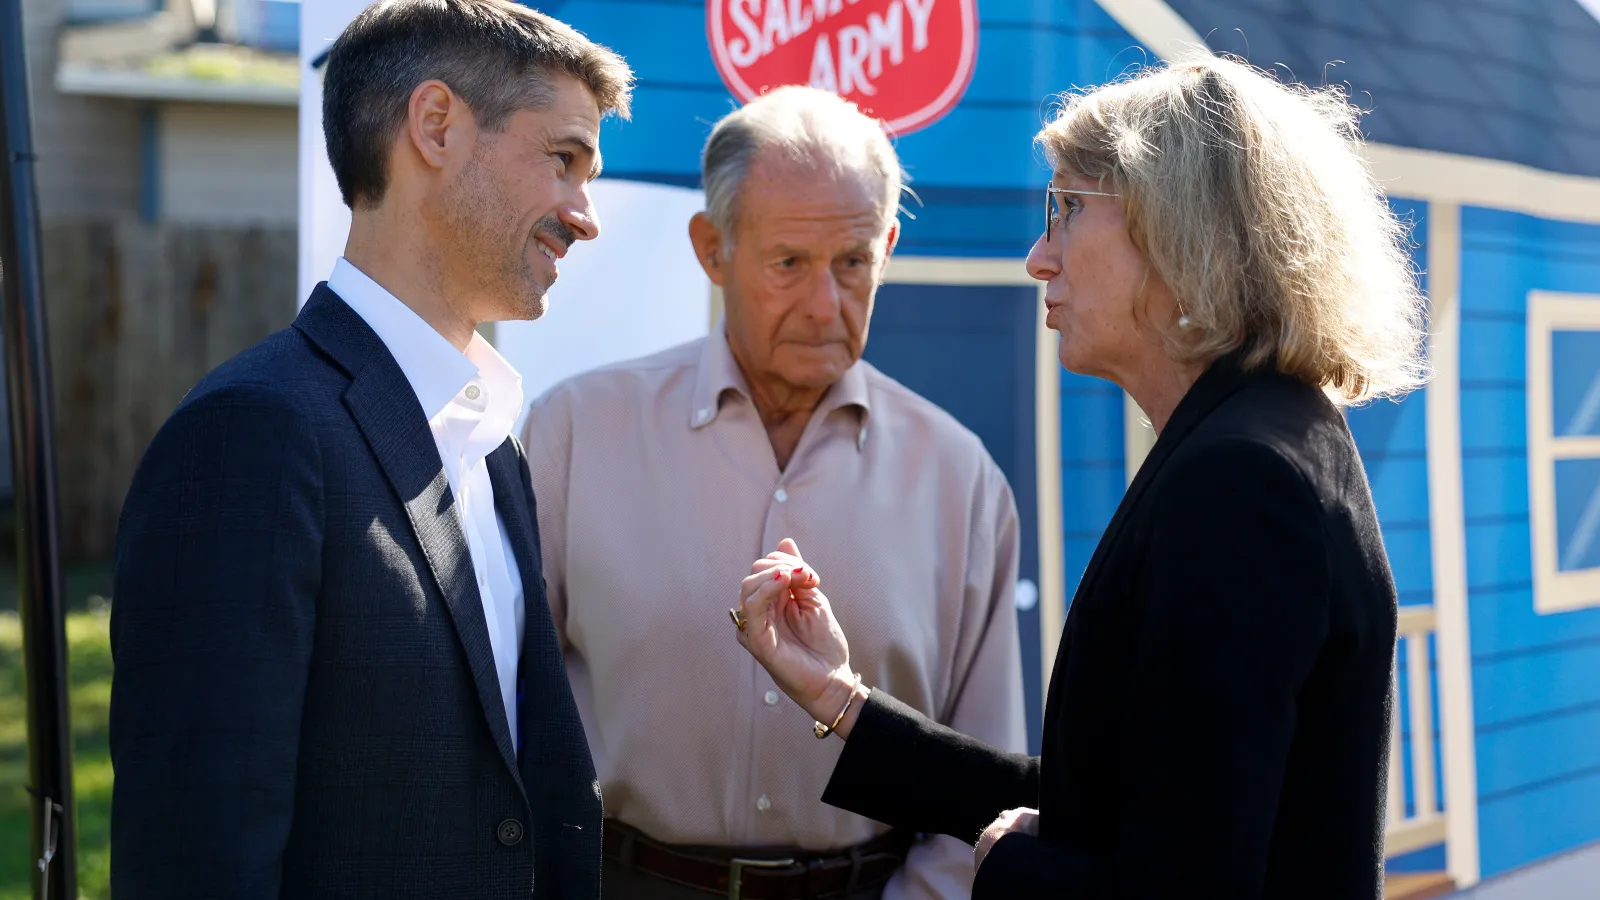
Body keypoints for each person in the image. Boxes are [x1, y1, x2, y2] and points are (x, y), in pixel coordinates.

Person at [732, 54, 1428, 899]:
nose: (1039, 257)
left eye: (1066, 210)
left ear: (1179, 232)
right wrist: (840, 699)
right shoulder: (1265, 436)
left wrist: (1008, 867)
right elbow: (1123, 798)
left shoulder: (1240, 480)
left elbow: (1181, 884)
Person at [108, 2, 631, 897]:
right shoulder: (255, 432)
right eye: (563, 160)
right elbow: (198, 853)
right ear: (436, 127)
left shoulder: (490, 443)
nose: (585, 216)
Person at [520, 86, 1027, 899]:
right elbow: (506, 721)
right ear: (712, 249)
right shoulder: (575, 433)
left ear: (889, 246)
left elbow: (981, 786)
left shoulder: (959, 479)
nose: (825, 305)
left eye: (853, 262)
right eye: (789, 263)